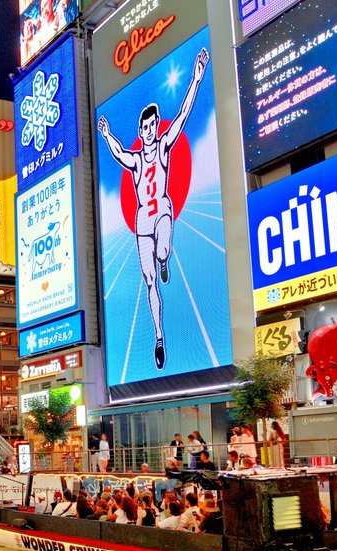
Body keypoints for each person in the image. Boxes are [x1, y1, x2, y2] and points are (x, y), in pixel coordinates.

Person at [97, 47, 209, 369]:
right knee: (149, 282)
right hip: (142, 218)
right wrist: (106, 135)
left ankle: (165, 257)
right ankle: (159, 337)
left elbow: (185, 115)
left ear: (156, 126)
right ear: (140, 130)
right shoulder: (134, 159)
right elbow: (118, 152)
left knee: (162, 244)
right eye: (143, 129)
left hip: (161, 207)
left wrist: (196, 78)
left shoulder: (162, 148)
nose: (147, 132)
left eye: (151, 127)